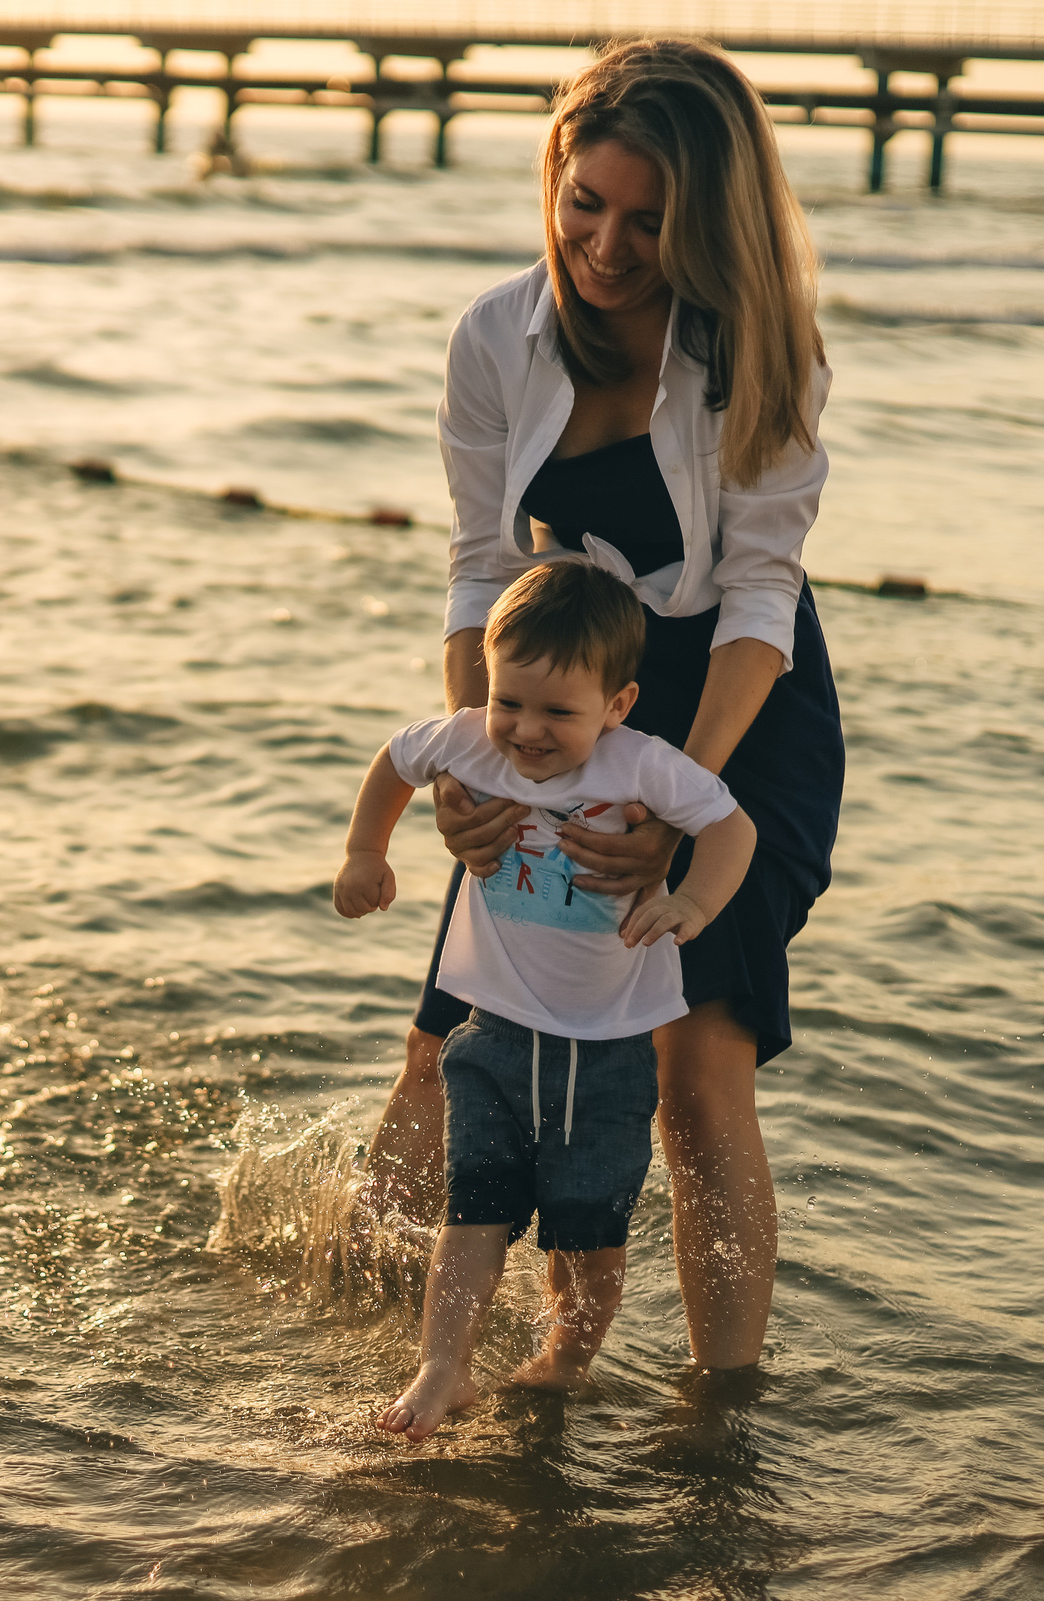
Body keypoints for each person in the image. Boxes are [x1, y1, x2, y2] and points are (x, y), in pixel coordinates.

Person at [358, 37, 842, 1378]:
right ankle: (382, 1348)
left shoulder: (763, 357)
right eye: (586, 204)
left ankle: (719, 1412)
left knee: (694, 1078)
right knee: (451, 1037)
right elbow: (481, 568)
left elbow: (760, 598)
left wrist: (672, 803)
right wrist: (479, 765)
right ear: (553, 178)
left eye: (649, 220)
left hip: (731, 711)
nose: (607, 248)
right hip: (552, 698)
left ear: (709, 220)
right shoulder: (493, 337)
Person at [336, 562, 757, 1442]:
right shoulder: (469, 741)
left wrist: (694, 901)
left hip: (608, 1052)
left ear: (617, 704)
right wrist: (366, 852)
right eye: (509, 702)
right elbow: (396, 760)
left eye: (557, 712)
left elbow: (732, 827)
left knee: (589, 1231)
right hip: (491, 1033)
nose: (525, 730)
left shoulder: (643, 765)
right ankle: (443, 1366)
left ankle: (568, 1355)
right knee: (474, 1208)